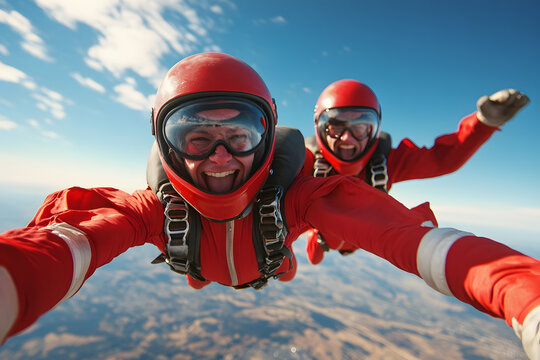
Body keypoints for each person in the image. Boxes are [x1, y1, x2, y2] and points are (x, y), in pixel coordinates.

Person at [0, 53, 539, 359]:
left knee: (308, 240)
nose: (219, 157)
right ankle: (281, 257)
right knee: (279, 249)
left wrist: (525, 297)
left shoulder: (312, 188)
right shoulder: (151, 208)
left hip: (307, 230)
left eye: (239, 134)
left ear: (267, 135)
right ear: (162, 142)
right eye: (194, 135)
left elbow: (416, 240)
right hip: (272, 242)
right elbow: (71, 240)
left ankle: (296, 253)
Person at [303, 79, 530, 264]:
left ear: (374, 130)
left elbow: (442, 160)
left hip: (358, 237)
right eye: (335, 127)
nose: (347, 139)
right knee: (304, 256)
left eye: (360, 128)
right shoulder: (308, 163)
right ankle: (317, 240)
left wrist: (482, 124)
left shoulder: (387, 161)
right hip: (324, 234)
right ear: (320, 128)